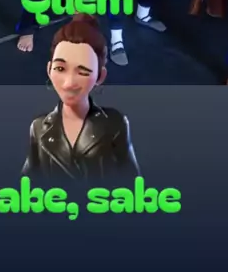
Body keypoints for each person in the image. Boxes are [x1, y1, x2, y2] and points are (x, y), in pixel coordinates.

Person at [22, 14, 140, 181]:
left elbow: (132, 179)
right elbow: (27, 180)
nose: (69, 83)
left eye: (83, 72)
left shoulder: (115, 124)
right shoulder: (38, 127)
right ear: (49, 69)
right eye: (60, 69)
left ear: (100, 76)